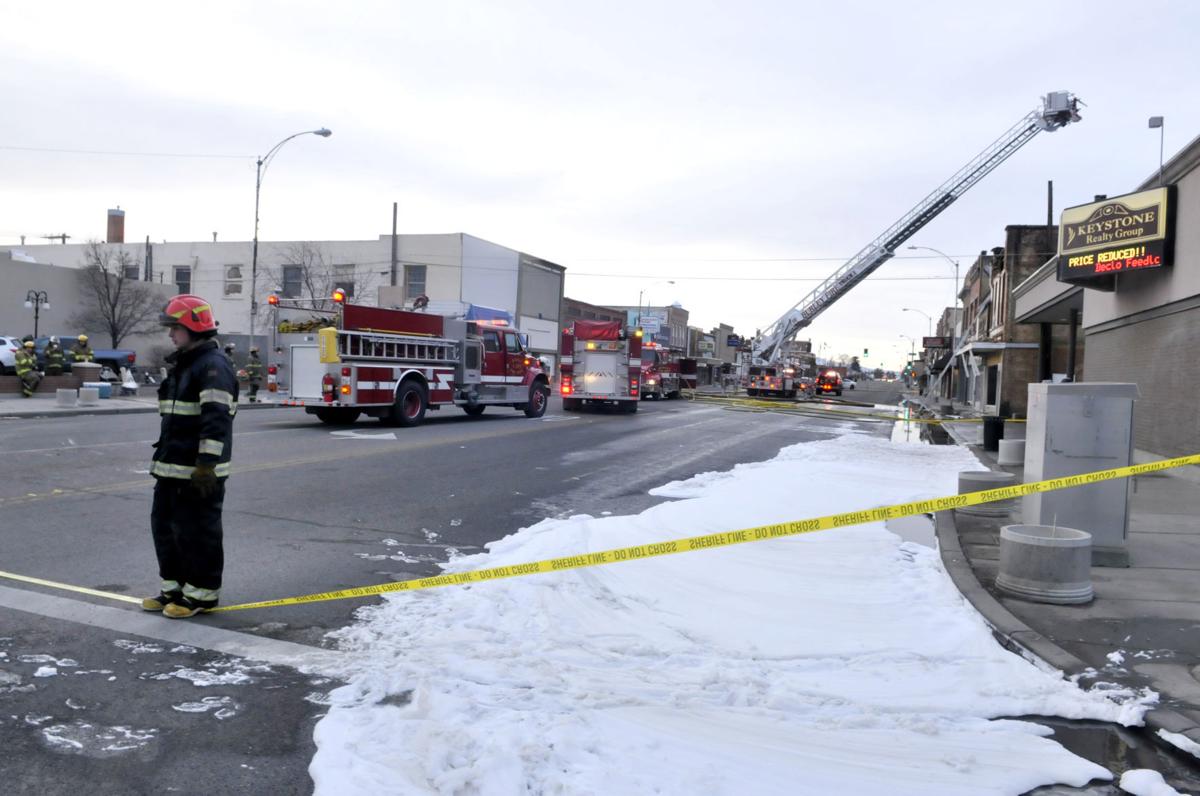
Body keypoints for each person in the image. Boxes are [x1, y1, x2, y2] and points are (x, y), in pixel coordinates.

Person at [142, 294, 239, 619]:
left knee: (198, 534)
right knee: (165, 529)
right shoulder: (185, 364)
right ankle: (173, 589)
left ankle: (201, 595)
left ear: (193, 327)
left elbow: (216, 420)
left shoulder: (213, 366)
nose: (170, 334)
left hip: (198, 472)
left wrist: (206, 467)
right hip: (171, 469)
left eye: (175, 328)